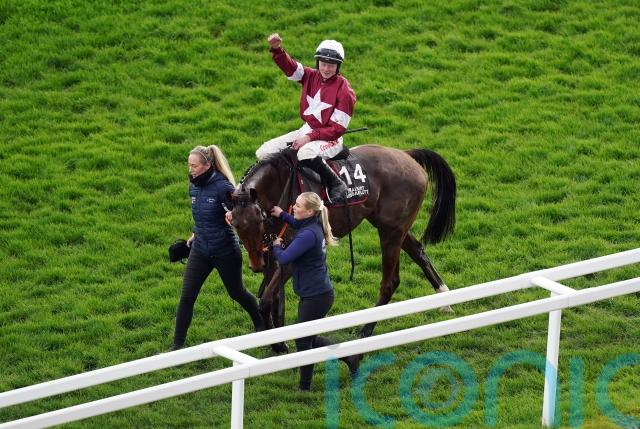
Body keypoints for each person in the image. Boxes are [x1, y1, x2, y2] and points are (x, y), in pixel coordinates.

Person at [170, 145, 264, 351]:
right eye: (189, 165)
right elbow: (202, 215)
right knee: (187, 297)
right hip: (200, 250)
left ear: (207, 165)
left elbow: (242, 213)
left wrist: (232, 214)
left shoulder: (223, 187)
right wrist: (196, 233)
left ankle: (261, 324)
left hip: (225, 251)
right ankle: (177, 346)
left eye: (194, 166)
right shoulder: (194, 186)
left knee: (237, 292)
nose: (191, 170)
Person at [270, 192, 358, 390]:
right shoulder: (312, 225)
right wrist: (282, 214)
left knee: (303, 341)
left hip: (316, 297)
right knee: (307, 337)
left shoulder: (308, 235)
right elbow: (297, 222)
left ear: (309, 211)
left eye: (298, 205)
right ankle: (349, 356)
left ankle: (304, 386)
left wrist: (276, 246)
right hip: (316, 293)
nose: (294, 207)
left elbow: (284, 259)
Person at [256, 33, 357, 203]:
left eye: (331, 65)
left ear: (338, 66)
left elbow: (337, 129)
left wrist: (309, 138)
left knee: (305, 152)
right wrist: (277, 49)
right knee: (264, 151)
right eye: (323, 64)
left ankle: (336, 184)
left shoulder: (345, 91)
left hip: (331, 138)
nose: (326, 69)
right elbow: (291, 68)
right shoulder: (310, 75)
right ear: (318, 63)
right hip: (307, 129)